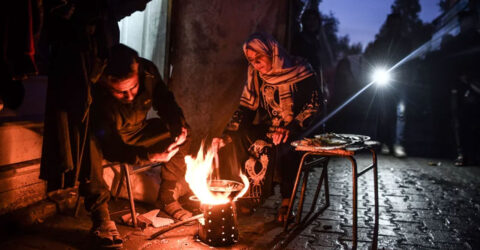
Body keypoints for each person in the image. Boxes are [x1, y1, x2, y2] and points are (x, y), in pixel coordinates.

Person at [39, 1, 151, 248]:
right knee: (88, 139)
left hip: (104, 61)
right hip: (76, 64)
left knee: (104, 131)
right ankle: (101, 216)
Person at [213, 32, 322, 223]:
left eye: (259, 58)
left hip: (299, 129)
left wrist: (291, 127)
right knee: (240, 138)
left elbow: (314, 106)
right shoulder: (255, 74)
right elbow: (247, 106)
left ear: (272, 52)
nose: (256, 64)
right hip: (271, 128)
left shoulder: (301, 69)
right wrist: (227, 134)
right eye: (251, 60)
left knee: (288, 145)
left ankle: (287, 200)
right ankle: (248, 195)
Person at [92, 44, 193, 222]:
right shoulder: (97, 94)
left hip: (138, 130)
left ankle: (166, 198)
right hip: (110, 139)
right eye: (120, 92)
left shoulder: (148, 72)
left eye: (133, 88)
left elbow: (165, 101)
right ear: (106, 81)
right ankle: (101, 216)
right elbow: (112, 147)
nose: (129, 97)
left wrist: (178, 125)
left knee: (184, 136)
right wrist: (149, 156)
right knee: (90, 147)